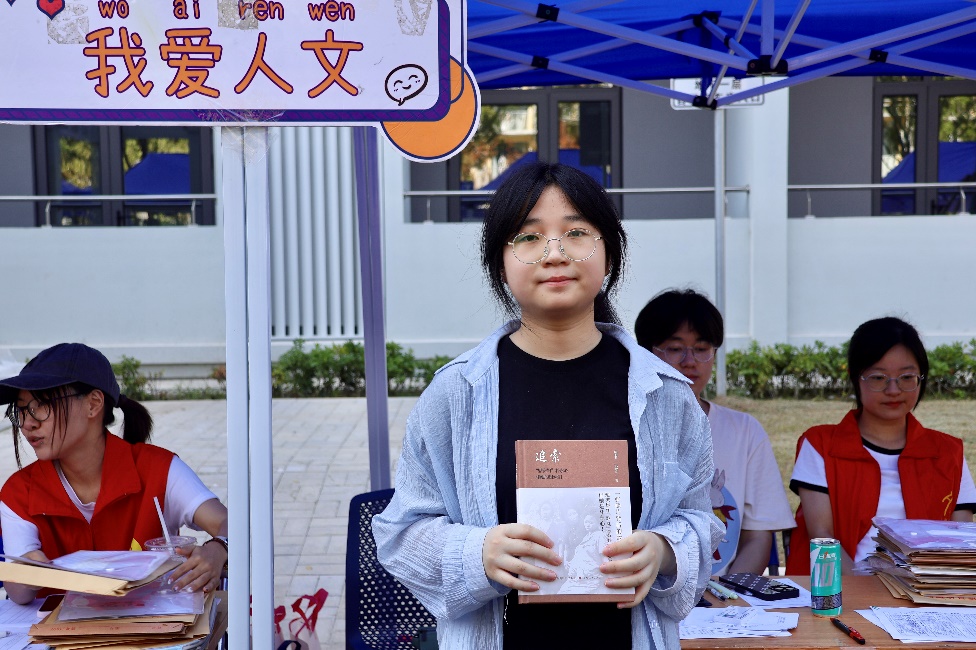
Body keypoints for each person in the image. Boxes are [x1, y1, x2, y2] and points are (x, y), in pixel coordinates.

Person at [372, 162, 721, 649]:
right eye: (529, 237)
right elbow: (400, 533)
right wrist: (477, 553)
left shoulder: (666, 395)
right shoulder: (455, 394)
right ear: (500, 264)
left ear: (609, 254)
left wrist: (664, 551)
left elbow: (699, 520)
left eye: (576, 233)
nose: (554, 253)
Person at [0, 343, 229, 604]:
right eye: (21, 410)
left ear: (93, 404)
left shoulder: (159, 469)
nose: (27, 423)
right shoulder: (19, 492)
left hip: (157, 628)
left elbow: (227, 522)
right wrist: (29, 573)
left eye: (41, 405)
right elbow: (18, 593)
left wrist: (218, 548)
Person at [785, 317, 976, 575]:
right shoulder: (821, 445)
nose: (893, 389)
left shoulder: (948, 452)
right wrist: (865, 592)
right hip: (839, 588)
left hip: (923, 590)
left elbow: (958, 544)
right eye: (878, 377)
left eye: (907, 377)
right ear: (855, 378)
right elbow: (822, 536)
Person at [634, 289, 795, 577]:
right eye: (675, 348)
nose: (689, 361)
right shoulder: (627, 426)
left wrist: (725, 593)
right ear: (646, 353)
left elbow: (758, 536)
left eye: (701, 348)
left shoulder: (745, 432)